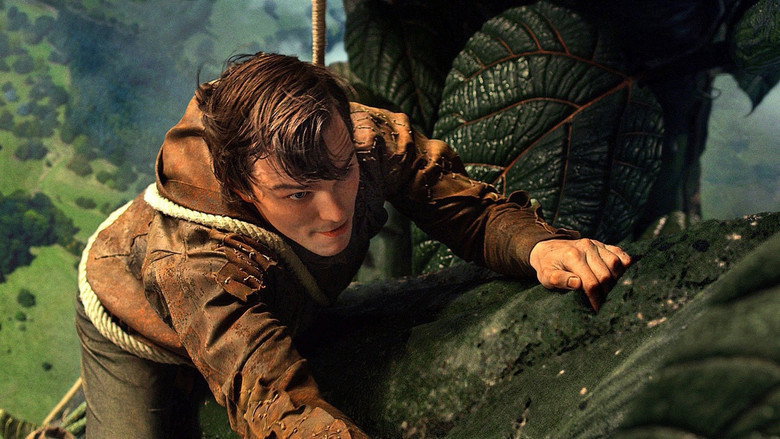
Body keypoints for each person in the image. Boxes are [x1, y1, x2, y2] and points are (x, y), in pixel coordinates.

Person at [75, 52, 631, 439]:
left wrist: (538, 248)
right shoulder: (194, 262)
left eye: (341, 173)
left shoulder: (360, 138)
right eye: (297, 193)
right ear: (243, 188)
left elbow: (467, 209)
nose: (335, 211)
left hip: (281, 298)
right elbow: (271, 401)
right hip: (137, 330)